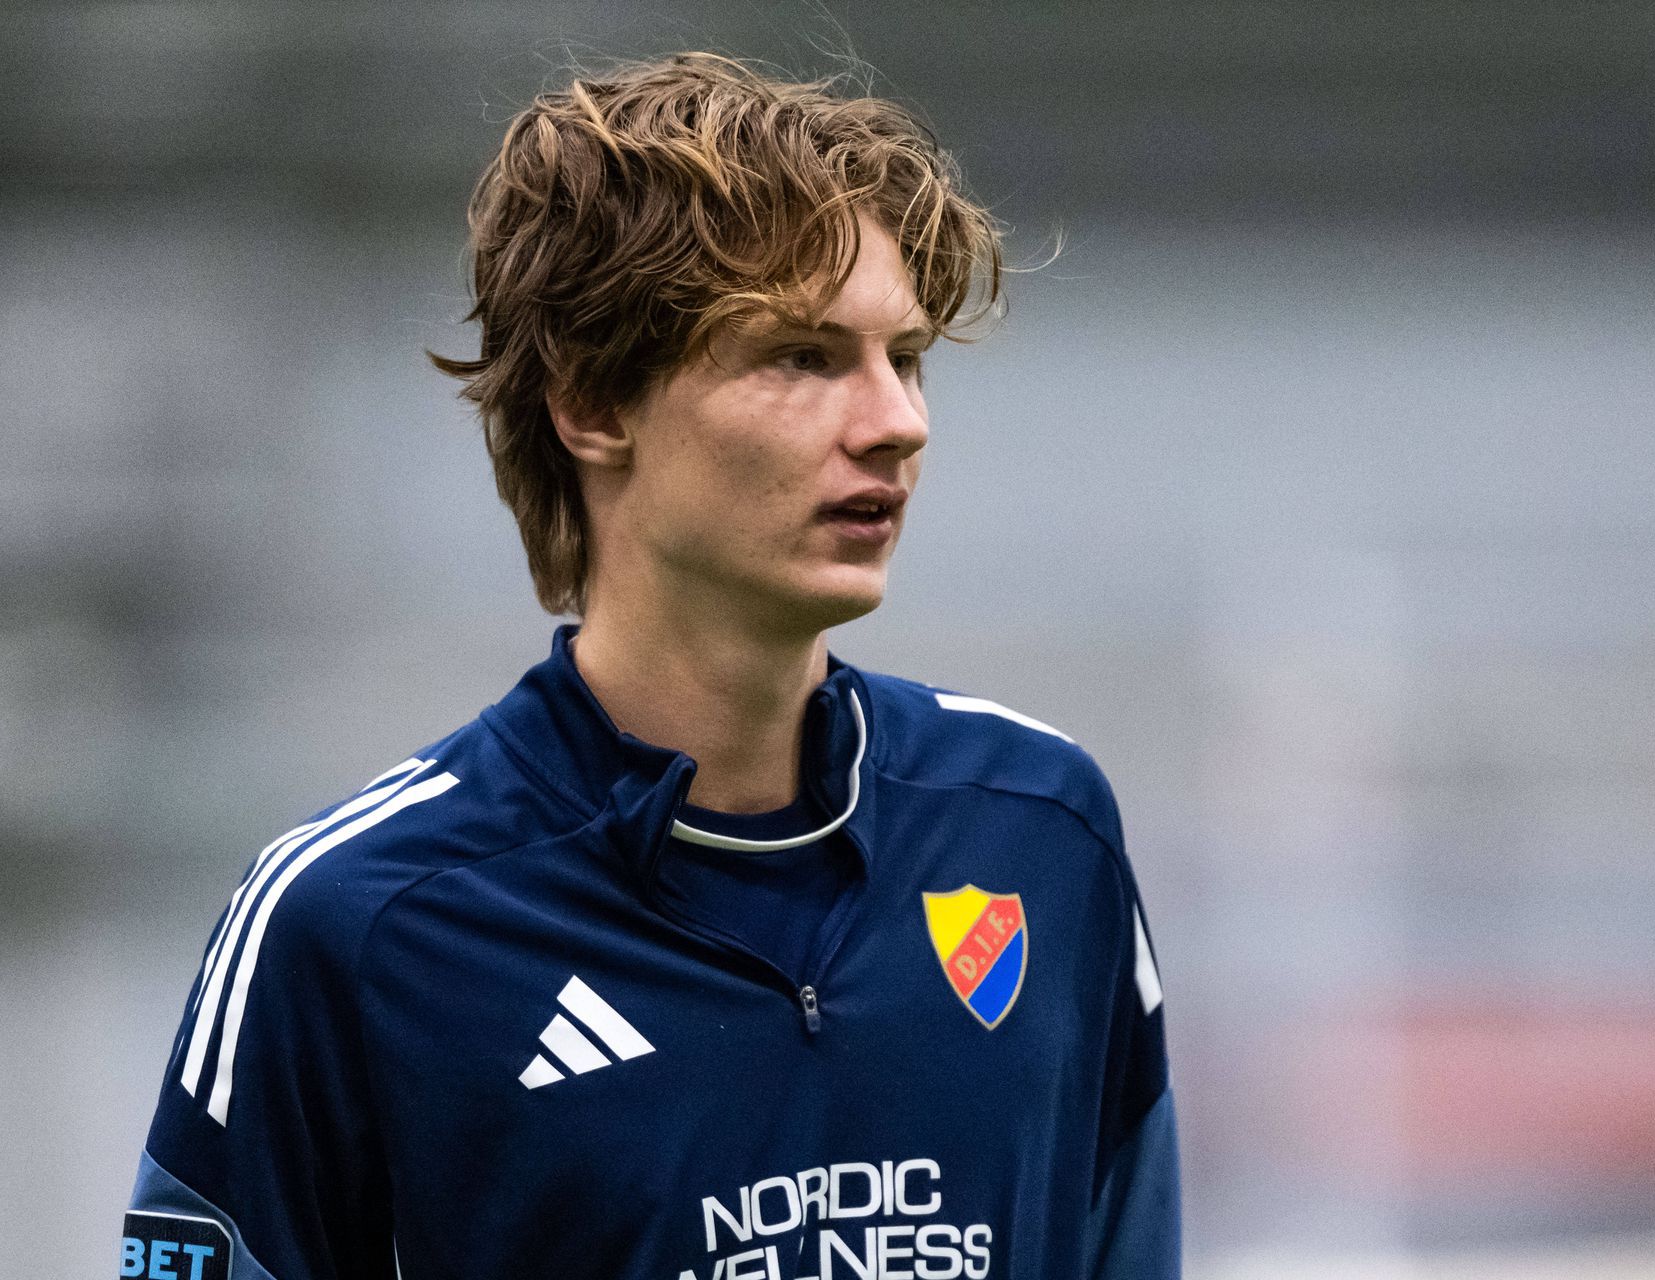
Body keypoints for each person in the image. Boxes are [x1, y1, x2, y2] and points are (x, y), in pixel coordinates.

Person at [125, 53, 1177, 1280]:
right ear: (593, 404)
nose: (897, 421)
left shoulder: (1041, 826)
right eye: (802, 356)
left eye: (906, 357)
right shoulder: (357, 921)